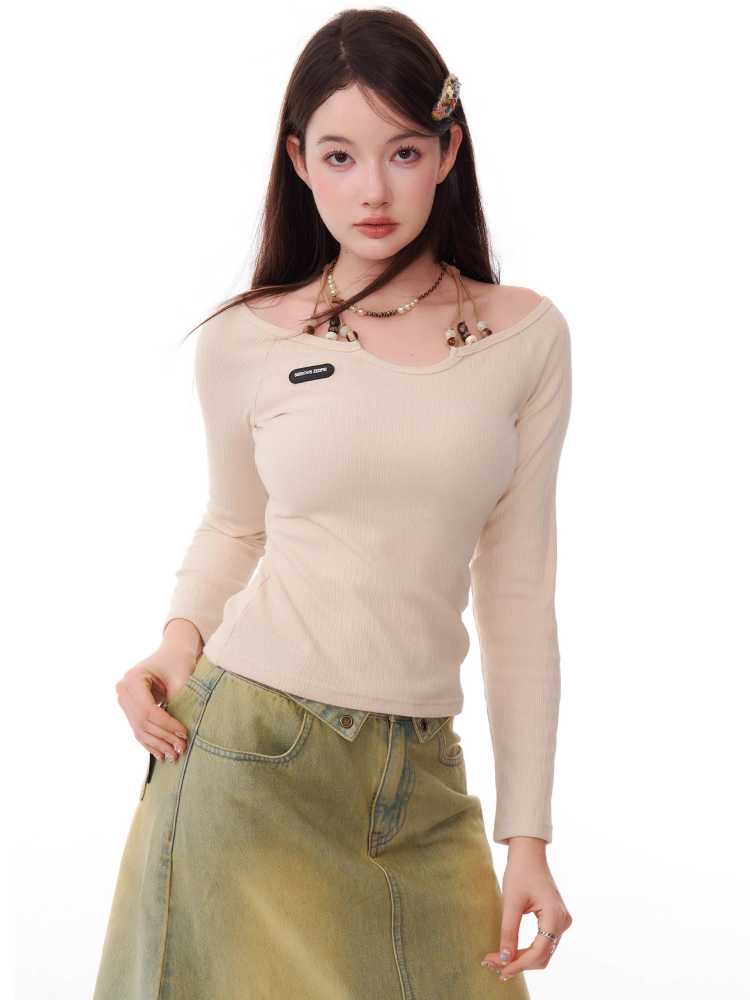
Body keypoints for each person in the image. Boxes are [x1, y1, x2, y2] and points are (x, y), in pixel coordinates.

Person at [93, 9, 573, 999]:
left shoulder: (524, 339)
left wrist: (526, 836)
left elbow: (518, 592)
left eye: (404, 151)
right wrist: (174, 647)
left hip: (424, 781)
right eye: (341, 155)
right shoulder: (248, 339)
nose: (373, 189)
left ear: (448, 151)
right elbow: (236, 525)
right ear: (299, 162)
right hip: (251, 758)